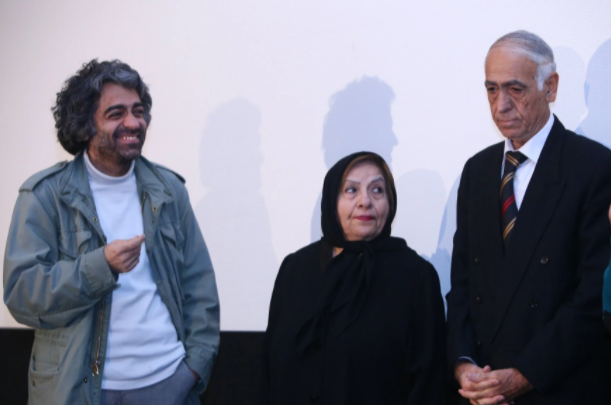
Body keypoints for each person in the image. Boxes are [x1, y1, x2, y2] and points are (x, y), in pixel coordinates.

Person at [3, 60, 220, 405]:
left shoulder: (169, 189)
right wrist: (100, 266)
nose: (133, 122)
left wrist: (192, 369)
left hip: (166, 384)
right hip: (79, 390)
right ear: (86, 124)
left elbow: (199, 286)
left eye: (138, 111)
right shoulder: (45, 195)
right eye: (116, 113)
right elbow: (22, 294)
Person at [446, 30, 611, 405]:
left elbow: (591, 301)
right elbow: (462, 286)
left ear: (550, 87)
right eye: (491, 89)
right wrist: (463, 365)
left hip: (558, 387)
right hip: (482, 391)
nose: (500, 105)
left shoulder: (594, 168)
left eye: (514, 89)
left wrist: (523, 376)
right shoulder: (477, 171)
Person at [262, 151, 446, 404]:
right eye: (351, 190)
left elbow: (429, 383)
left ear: (390, 201)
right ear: (331, 200)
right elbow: (269, 367)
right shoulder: (295, 268)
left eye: (377, 190)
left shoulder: (415, 277)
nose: (365, 201)